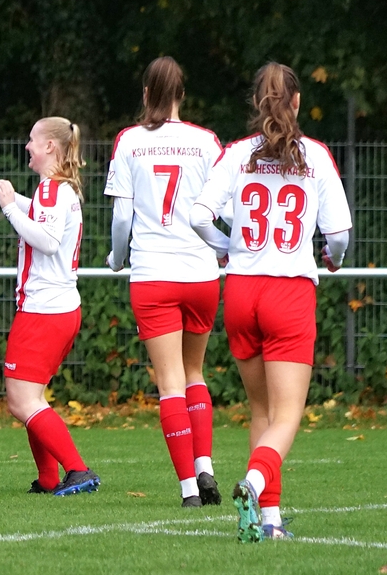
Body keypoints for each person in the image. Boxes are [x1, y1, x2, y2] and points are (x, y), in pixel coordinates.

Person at [191, 62, 351, 541]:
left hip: (242, 290)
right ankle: (255, 482)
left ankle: (269, 519)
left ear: (256, 102)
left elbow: (199, 215)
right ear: (297, 102)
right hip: (288, 290)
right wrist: (333, 257)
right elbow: (339, 234)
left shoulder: (237, 153)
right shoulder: (315, 155)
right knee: (286, 416)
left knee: (261, 410)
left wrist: (226, 248)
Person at [103, 56, 228, 507]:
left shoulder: (130, 141)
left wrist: (117, 258)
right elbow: (224, 209)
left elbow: (122, 217)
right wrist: (222, 248)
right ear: (182, 95)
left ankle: (189, 488)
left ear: (145, 93)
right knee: (195, 372)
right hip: (200, 274)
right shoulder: (206, 141)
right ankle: (205, 465)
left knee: (169, 382)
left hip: (154, 274)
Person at [0, 118, 100, 496]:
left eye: (32, 140)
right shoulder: (60, 188)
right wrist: (7, 196)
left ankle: (78, 470)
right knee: (32, 398)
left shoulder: (51, 187)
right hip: (59, 308)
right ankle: (49, 478)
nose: (27, 146)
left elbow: (47, 240)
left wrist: (9, 209)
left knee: (21, 401)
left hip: (44, 310)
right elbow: (45, 218)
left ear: (50, 146)